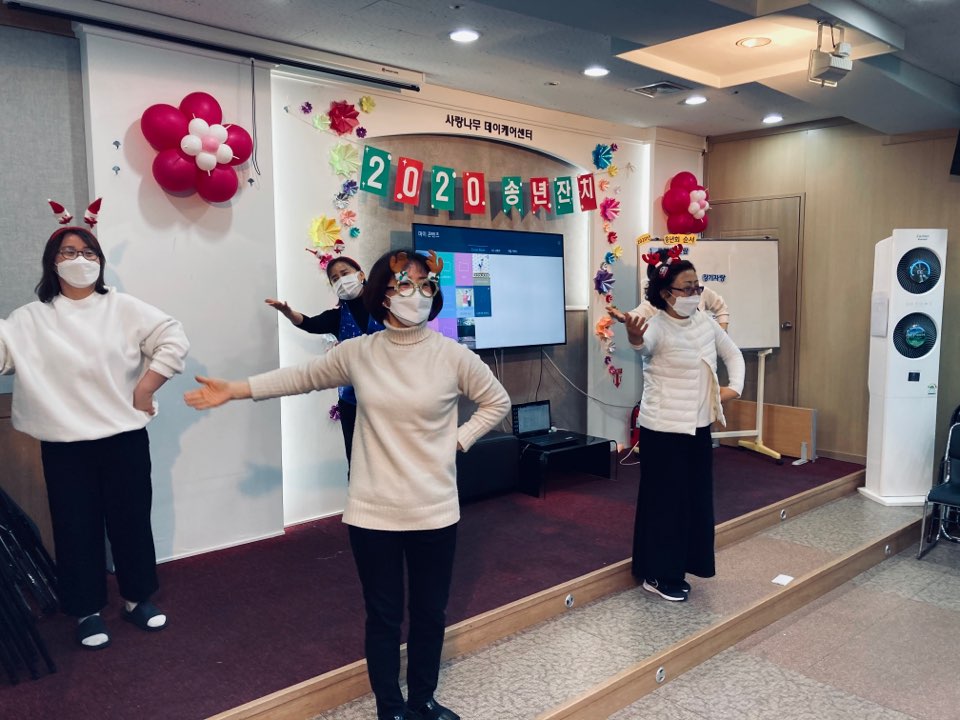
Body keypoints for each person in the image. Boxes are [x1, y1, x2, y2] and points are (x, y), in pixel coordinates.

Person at [186, 249, 510, 720]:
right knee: (383, 616)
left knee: (429, 613)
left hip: (435, 509)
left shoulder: (453, 355)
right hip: (373, 511)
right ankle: (390, 708)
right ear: (383, 294)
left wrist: (457, 440)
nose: (417, 294)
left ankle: (422, 701)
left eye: (426, 285)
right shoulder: (360, 353)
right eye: (405, 284)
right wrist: (237, 389)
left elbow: (496, 401)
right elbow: (300, 378)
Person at [0, 219, 190, 649]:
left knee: (131, 520)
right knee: (75, 526)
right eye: (68, 252)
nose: (80, 260)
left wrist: (146, 387)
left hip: (123, 437)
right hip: (65, 443)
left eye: (89, 253)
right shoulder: (29, 319)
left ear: (100, 262)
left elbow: (173, 337)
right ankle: (86, 611)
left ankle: (137, 599)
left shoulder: (122, 307)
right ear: (52, 262)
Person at [607, 248, 743, 603]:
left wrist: (734, 388)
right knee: (664, 504)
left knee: (695, 502)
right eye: (687, 287)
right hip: (663, 431)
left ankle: (683, 566)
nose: (695, 293)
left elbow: (733, 353)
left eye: (698, 286)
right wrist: (633, 336)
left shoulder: (705, 322)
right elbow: (642, 346)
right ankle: (657, 574)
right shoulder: (656, 326)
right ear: (667, 293)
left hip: (698, 430)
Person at [266, 256, 382, 467]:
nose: (341, 280)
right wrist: (288, 312)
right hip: (353, 399)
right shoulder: (337, 317)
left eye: (345, 274)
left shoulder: (385, 306)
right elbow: (310, 323)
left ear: (360, 275)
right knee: (358, 461)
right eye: (334, 279)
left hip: (388, 394)